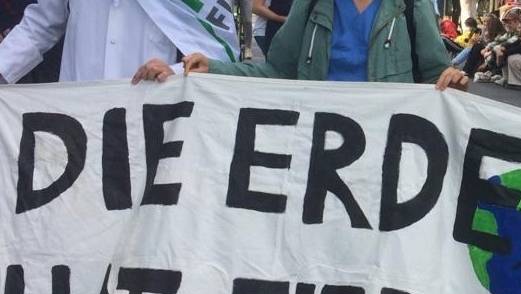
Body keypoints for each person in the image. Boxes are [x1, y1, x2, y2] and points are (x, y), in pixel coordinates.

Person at [175, 0, 468, 90]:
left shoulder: (412, 6)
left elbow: (435, 77)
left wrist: (454, 83)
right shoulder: (311, 5)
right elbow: (277, 71)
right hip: (318, 153)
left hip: (388, 149)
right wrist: (214, 69)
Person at [0, 0, 238, 84]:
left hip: (151, 107)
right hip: (76, 108)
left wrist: (173, 72)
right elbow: (40, 25)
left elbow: (214, 55)